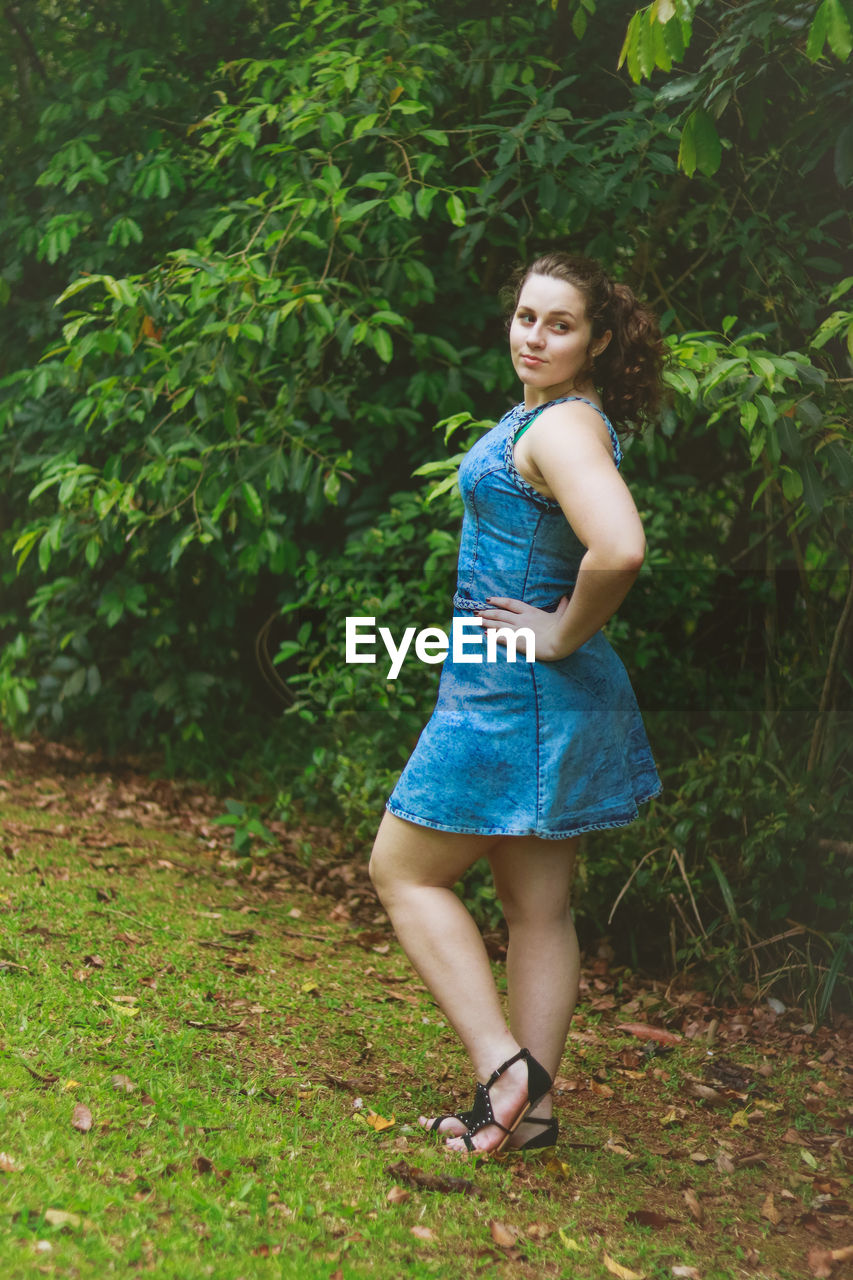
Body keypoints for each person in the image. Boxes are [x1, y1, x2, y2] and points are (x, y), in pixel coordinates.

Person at [368, 252, 663, 1155]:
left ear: (597, 339)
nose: (533, 336)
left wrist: (560, 632)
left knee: (402, 869)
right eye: (525, 317)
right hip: (527, 692)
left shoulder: (564, 427)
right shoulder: (544, 415)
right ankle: (527, 1117)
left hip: (518, 690)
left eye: (559, 324)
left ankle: (506, 1072)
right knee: (536, 906)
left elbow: (617, 547)